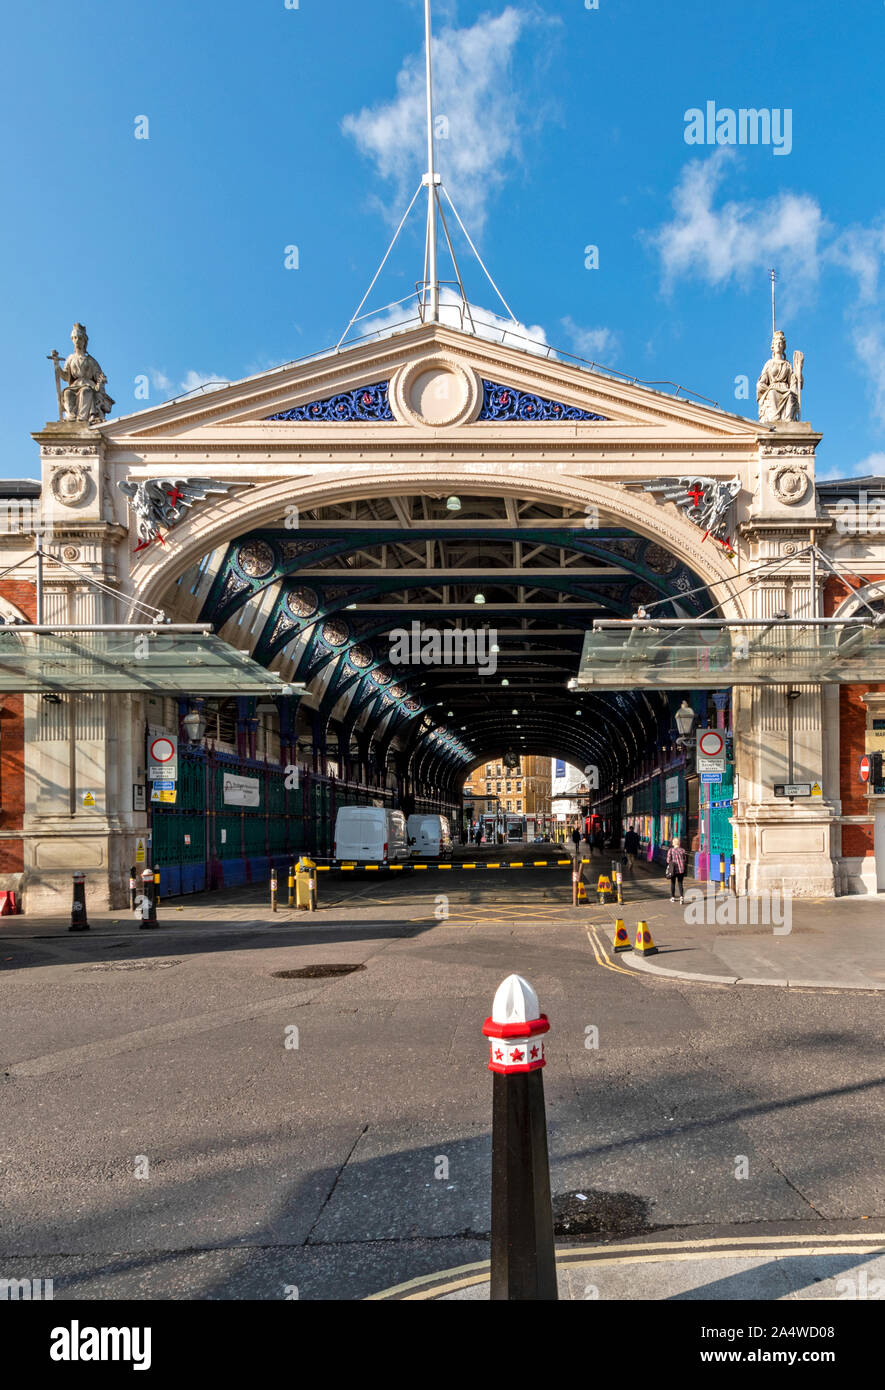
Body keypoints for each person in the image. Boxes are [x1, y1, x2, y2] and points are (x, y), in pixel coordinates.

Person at [666, 837, 687, 904]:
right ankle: (681, 897)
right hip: (681, 869)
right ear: (679, 843)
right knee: (680, 883)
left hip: (673, 870)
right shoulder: (683, 850)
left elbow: (668, 860)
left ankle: (672, 897)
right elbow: (685, 859)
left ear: (673, 843)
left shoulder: (670, 850)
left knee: (673, 883)